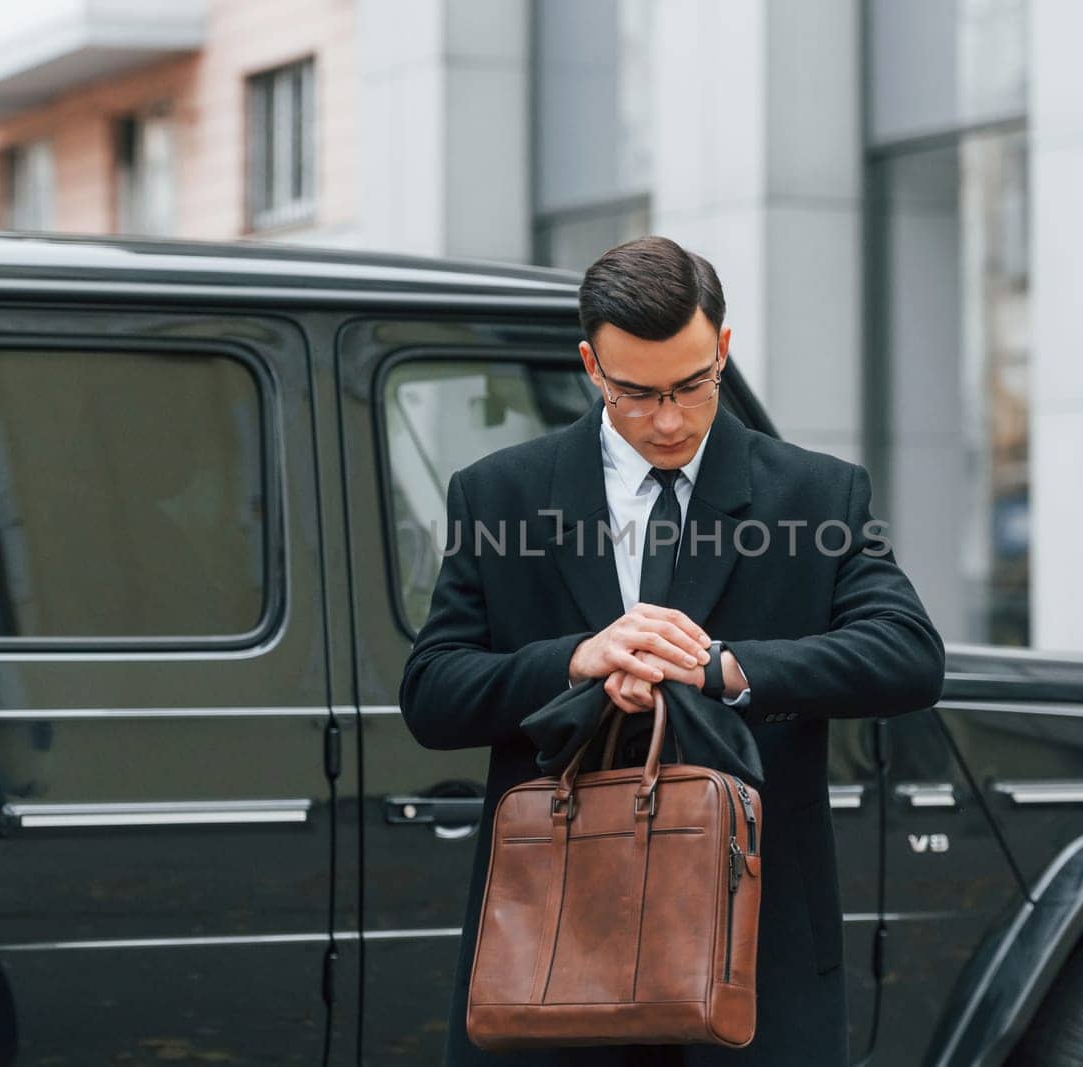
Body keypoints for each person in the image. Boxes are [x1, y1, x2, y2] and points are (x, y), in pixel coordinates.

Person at [399, 235, 945, 1066]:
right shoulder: (498, 492)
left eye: (692, 386)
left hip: (758, 956)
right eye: (636, 393)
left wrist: (724, 667)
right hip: (554, 951)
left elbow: (910, 653)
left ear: (723, 349)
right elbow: (431, 692)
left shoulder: (817, 493)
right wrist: (575, 659)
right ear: (590, 365)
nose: (667, 419)